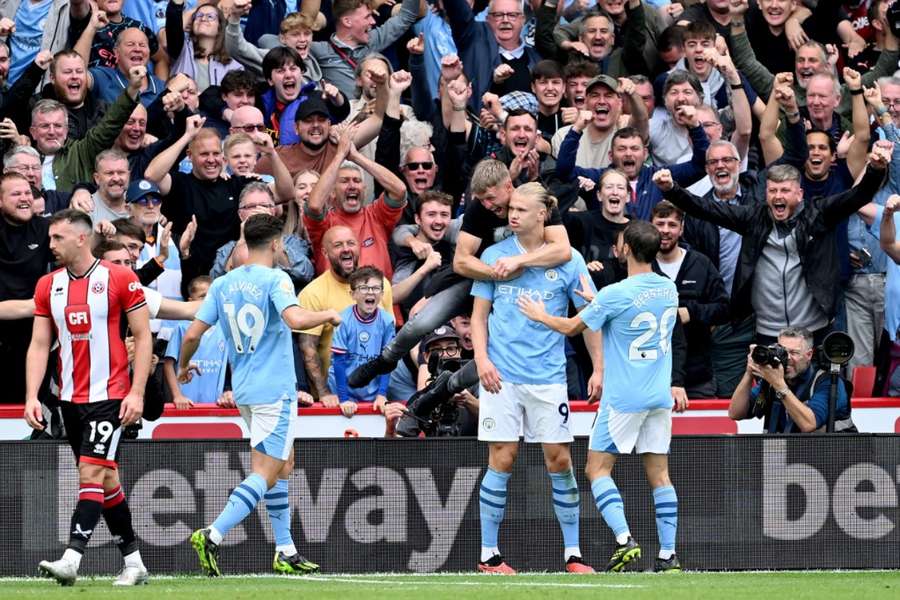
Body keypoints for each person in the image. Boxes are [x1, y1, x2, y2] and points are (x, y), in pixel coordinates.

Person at [518, 220, 685, 573]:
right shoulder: (668, 289)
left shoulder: (615, 294)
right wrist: (599, 302)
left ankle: (625, 540)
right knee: (660, 476)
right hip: (658, 397)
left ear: (625, 250)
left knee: (597, 470)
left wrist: (540, 314)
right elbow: (632, 308)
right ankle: (668, 554)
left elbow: (571, 327)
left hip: (623, 398)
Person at [179, 213, 340, 576]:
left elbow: (191, 335)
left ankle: (285, 550)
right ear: (276, 244)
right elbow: (296, 320)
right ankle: (213, 533)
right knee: (266, 472)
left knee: (284, 464)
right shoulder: (276, 278)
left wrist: (182, 367)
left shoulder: (222, 283)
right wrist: (328, 313)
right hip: (275, 389)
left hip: (246, 390)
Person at [469, 182, 599, 575]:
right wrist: (481, 361)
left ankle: (573, 554)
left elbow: (589, 316)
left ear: (543, 215)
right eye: (512, 208)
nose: (513, 215)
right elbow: (478, 317)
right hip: (502, 377)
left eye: (523, 210)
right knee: (501, 459)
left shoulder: (568, 260)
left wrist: (600, 368)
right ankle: (489, 555)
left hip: (547, 378)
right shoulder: (493, 256)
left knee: (559, 461)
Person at [25, 209, 152, 586]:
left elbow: (143, 337)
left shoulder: (120, 278)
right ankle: (134, 563)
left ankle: (71, 558)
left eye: (57, 238)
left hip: (110, 395)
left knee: (91, 472)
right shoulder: (48, 285)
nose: (51, 245)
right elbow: (39, 344)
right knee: (106, 481)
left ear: (82, 238)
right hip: (69, 399)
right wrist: (32, 395)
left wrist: (137, 391)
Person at [654, 145, 891, 345]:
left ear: (799, 194)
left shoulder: (819, 213)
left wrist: (876, 169)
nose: (778, 196)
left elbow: (857, 196)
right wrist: (671, 190)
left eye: (785, 190)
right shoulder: (753, 218)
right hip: (768, 331)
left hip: (814, 329)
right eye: (773, 190)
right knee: (770, 395)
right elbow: (707, 209)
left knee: (811, 393)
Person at [297, 225, 393, 406]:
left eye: (351, 243)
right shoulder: (313, 293)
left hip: (375, 396)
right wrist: (324, 393)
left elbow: (387, 347)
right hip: (335, 398)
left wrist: (383, 392)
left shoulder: (381, 286)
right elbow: (307, 348)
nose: (346, 249)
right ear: (325, 253)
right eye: (338, 245)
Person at [651, 200, 729, 398]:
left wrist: (692, 313)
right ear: (650, 226)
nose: (665, 230)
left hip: (697, 378)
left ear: (682, 228)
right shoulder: (641, 264)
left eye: (672, 225)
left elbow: (724, 309)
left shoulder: (700, 264)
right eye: (660, 224)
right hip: (649, 376)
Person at [728, 327, 854, 432]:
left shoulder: (826, 381)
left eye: (794, 353)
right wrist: (749, 373)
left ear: (809, 355)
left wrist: (779, 385)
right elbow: (735, 413)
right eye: (782, 351)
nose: (787, 358)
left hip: (833, 455)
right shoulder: (773, 377)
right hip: (783, 454)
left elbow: (809, 424)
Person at [330, 266, 395, 418]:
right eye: (364, 288)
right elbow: (339, 362)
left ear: (382, 294)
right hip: (344, 390)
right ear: (352, 294)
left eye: (375, 288)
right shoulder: (343, 320)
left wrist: (382, 394)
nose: (370, 292)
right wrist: (343, 399)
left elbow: (388, 361)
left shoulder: (387, 321)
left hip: (372, 393)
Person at [163, 276, 227, 408]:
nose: (208, 301)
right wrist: (177, 395)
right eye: (203, 296)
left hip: (215, 404)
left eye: (212, 296)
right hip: (186, 403)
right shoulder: (182, 328)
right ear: (191, 302)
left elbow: (233, 364)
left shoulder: (224, 328)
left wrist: (230, 392)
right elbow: (168, 365)